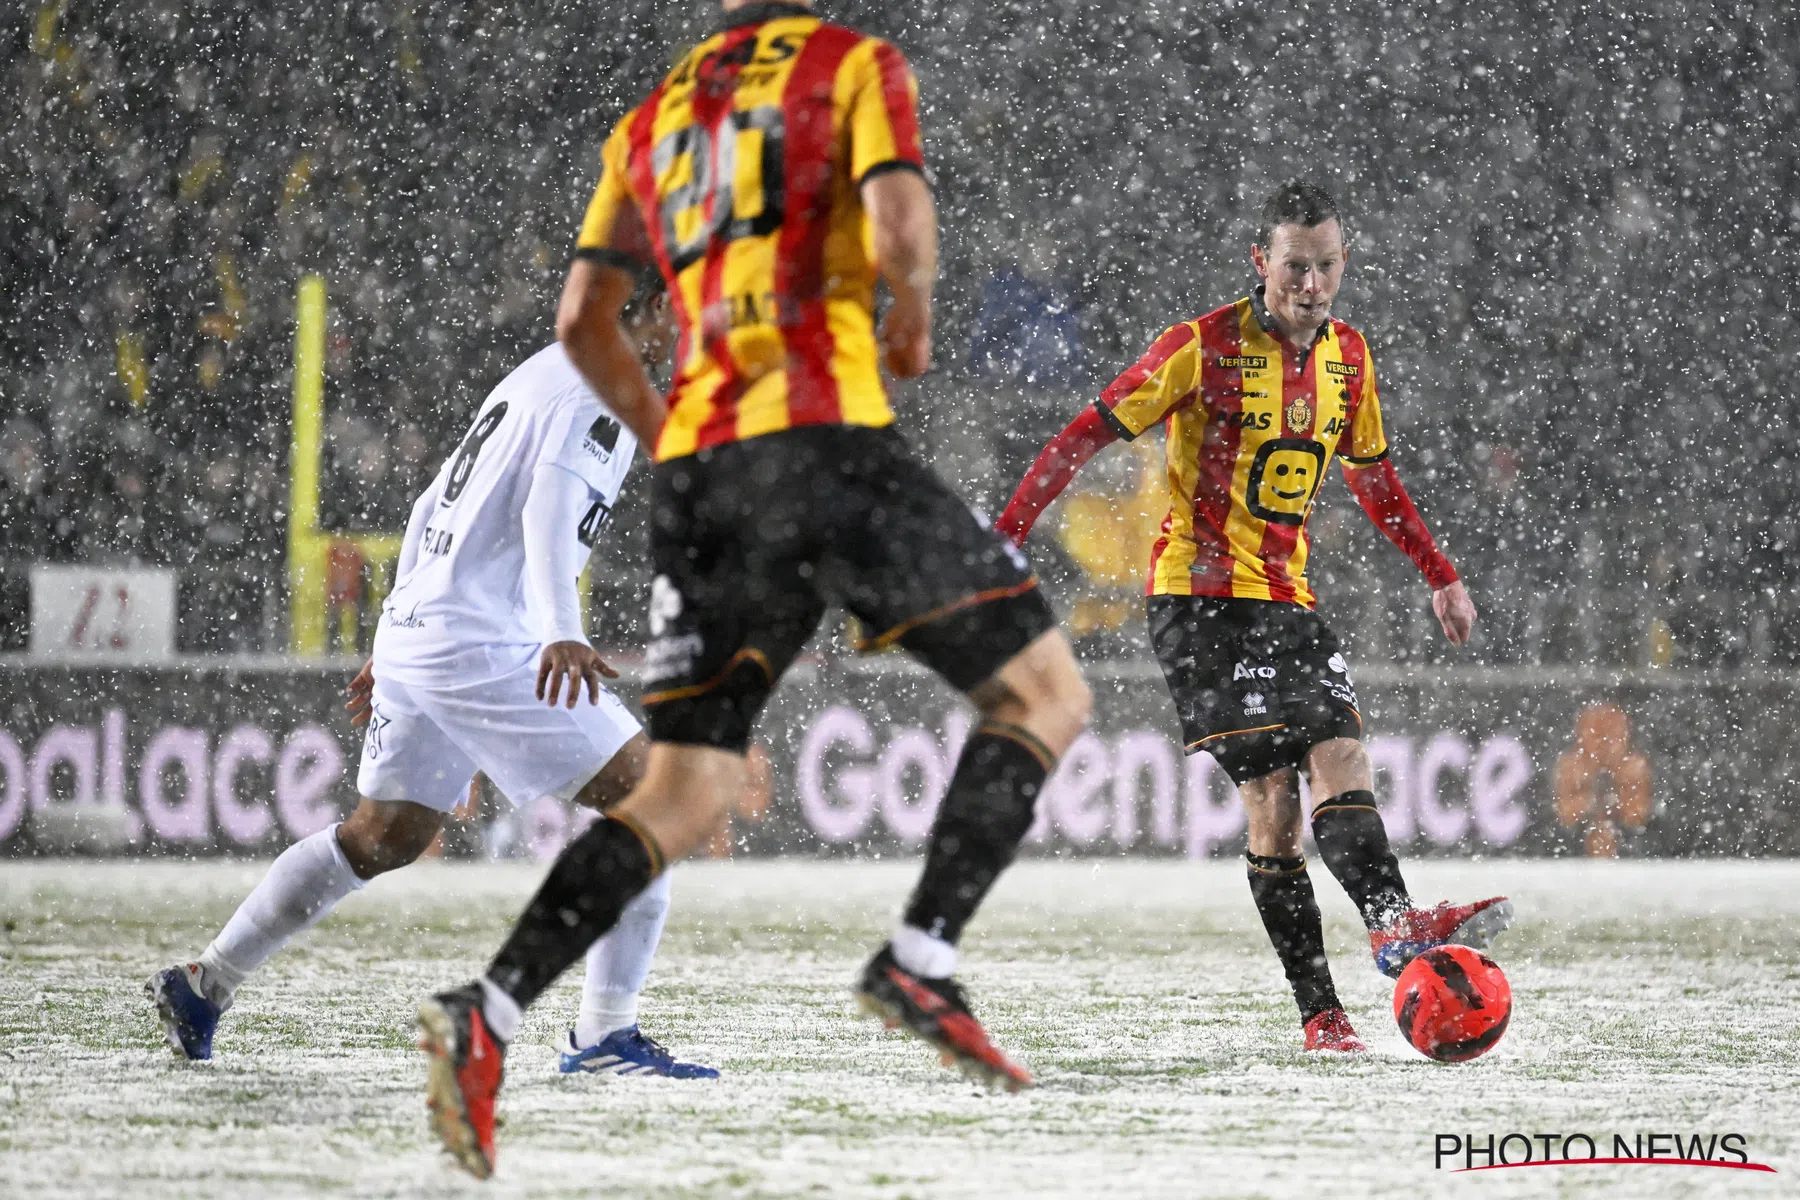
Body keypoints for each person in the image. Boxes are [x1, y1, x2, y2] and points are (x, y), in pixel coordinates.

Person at [416, 0, 1091, 1177]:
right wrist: (917, 315)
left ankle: (492, 1009)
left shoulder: (655, 116)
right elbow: (900, 231)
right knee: (1044, 697)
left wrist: (671, 432)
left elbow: (586, 318)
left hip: (704, 482)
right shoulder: (849, 64)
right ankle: (920, 957)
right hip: (826, 444)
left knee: (680, 798)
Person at [996, 180, 1511, 1053]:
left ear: (1343, 265)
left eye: (1325, 267)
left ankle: (1391, 928)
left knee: (1342, 758)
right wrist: (1005, 536)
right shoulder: (1199, 348)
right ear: (1260, 264)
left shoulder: (1350, 356)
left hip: (1289, 598)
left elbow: (1373, 479)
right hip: (1198, 604)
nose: (1310, 284)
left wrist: (1440, 573)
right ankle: (1323, 1012)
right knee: (1274, 805)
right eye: (1293, 267)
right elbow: (1086, 434)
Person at [147, 334, 716, 1080]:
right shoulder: (593, 389)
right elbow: (548, 509)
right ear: (639, 313)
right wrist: (562, 630)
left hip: (427, 629)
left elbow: (427, 505)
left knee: (383, 836)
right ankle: (604, 1035)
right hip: (487, 642)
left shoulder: (541, 372)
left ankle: (206, 983)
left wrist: (392, 634)